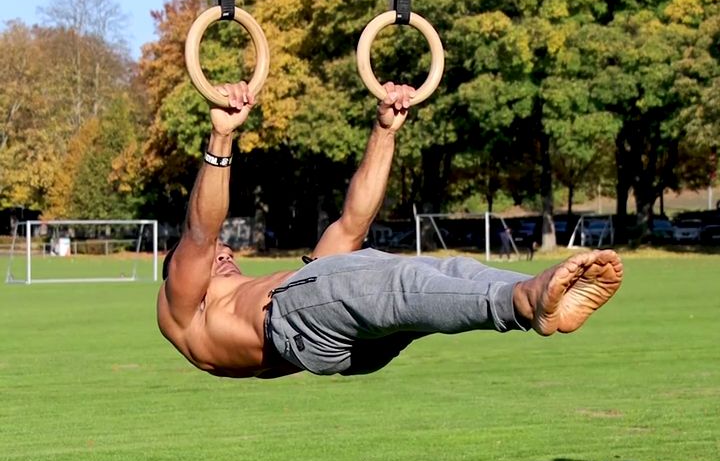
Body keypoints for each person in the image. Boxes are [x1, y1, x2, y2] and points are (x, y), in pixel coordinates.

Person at [157, 82, 623, 379]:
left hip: (338, 345)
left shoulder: (282, 286)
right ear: (179, 272)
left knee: (444, 272)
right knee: (404, 283)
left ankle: (539, 304)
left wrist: (385, 132)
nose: (224, 250)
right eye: (216, 253)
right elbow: (200, 231)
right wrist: (222, 137)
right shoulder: (184, 309)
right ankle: (523, 300)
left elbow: (353, 222)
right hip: (293, 322)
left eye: (226, 248)